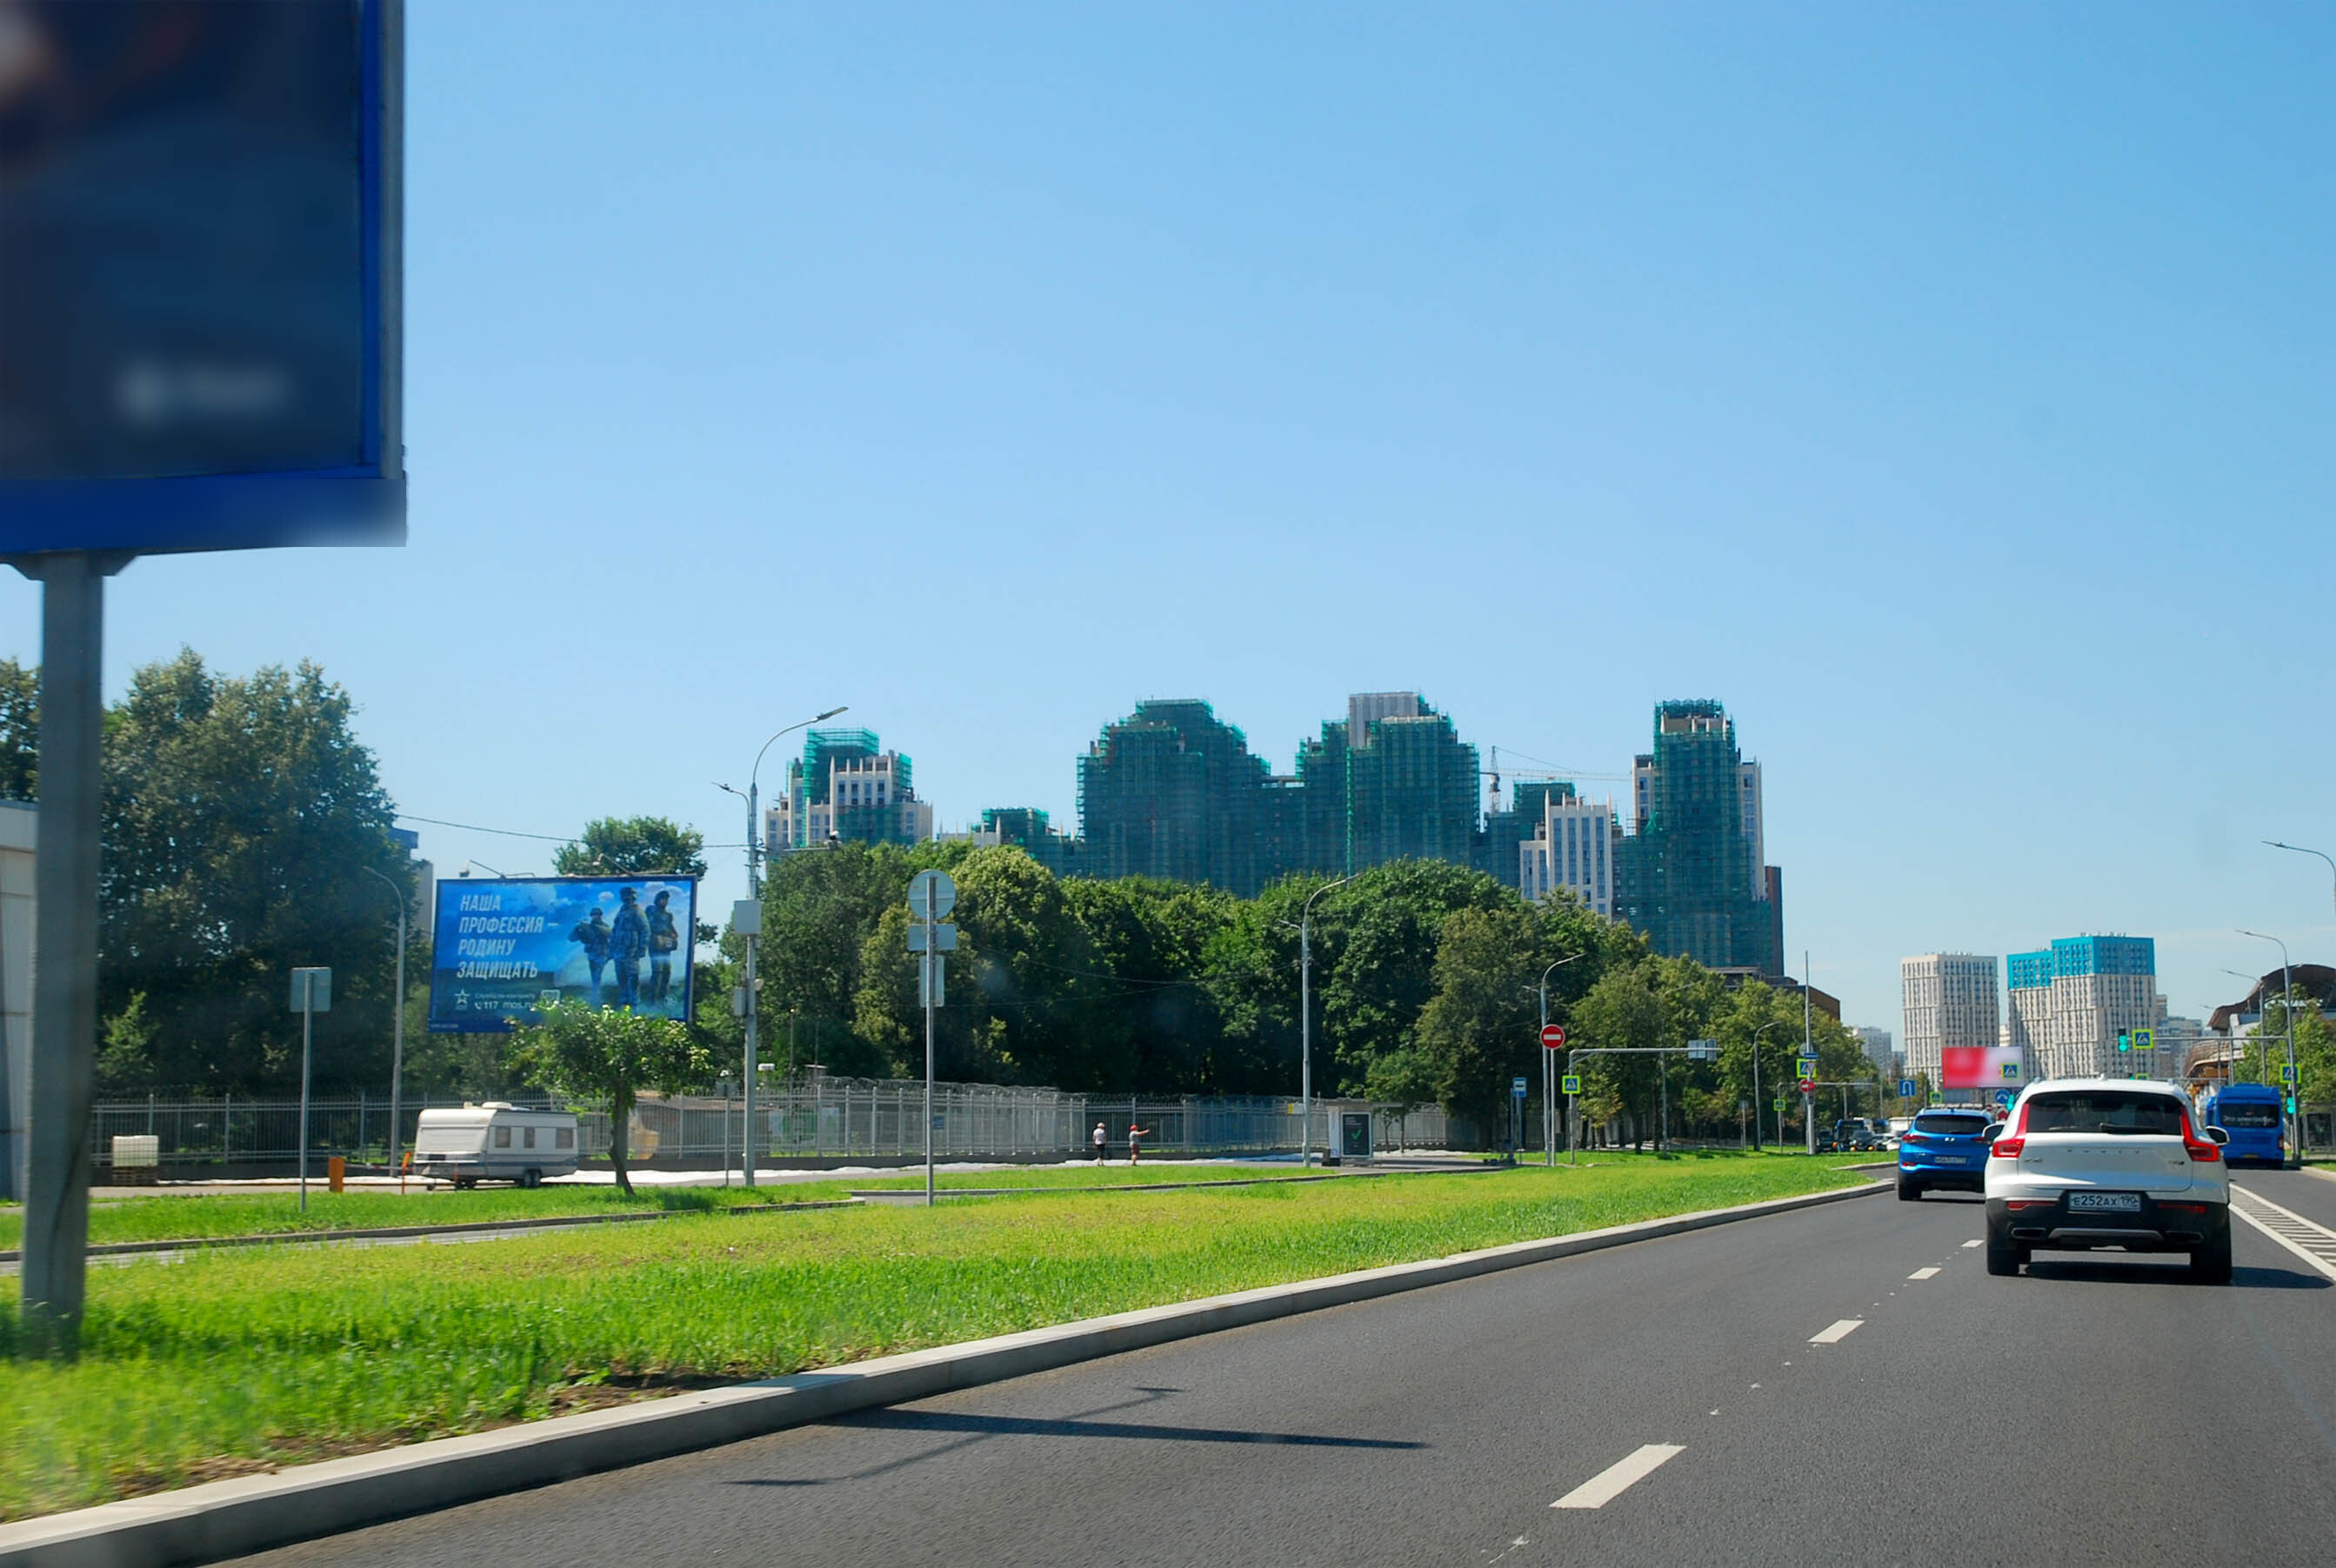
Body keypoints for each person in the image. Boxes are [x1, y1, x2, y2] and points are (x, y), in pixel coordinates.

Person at [607, 887, 649, 1008]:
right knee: (621, 977)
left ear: (633, 897)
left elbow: (645, 930)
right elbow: (615, 931)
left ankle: (635, 1002)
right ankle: (624, 1001)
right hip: (619, 950)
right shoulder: (621, 912)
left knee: (633, 976)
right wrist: (611, 950)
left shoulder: (637, 912)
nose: (626, 899)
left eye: (629, 897)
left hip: (631, 950)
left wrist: (641, 949)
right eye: (624, 896)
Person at [569, 907, 612, 1004]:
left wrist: (591, 927)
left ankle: (597, 994)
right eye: (593, 915)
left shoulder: (603, 926)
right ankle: (595, 993)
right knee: (594, 974)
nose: (594, 916)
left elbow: (609, 933)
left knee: (597, 974)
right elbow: (571, 938)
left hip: (602, 953)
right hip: (592, 953)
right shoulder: (587, 927)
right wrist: (578, 929)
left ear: (600, 915)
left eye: (596, 914)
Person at [645, 890, 681, 1004]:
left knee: (666, 972)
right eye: (663, 899)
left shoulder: (668, 915)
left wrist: (674, 934)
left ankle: (662, 997)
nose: (665, 901)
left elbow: (670, 927)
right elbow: (649, 925)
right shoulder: (651, 911)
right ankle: (652, 1000)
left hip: (665, 945)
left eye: (666, 899)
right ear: (658, 900)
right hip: (655, 943)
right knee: (657, 972)